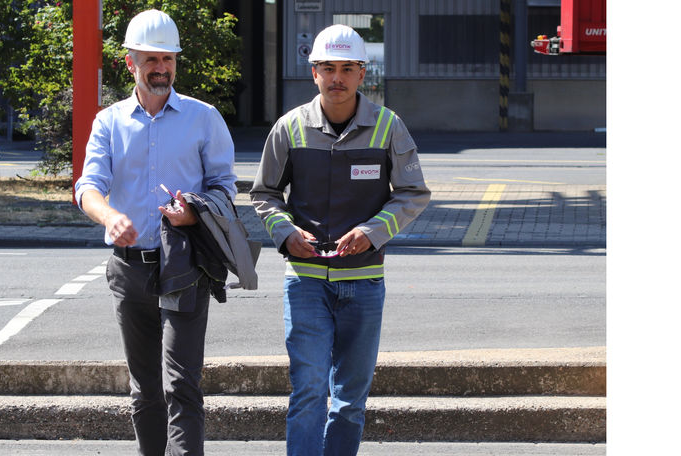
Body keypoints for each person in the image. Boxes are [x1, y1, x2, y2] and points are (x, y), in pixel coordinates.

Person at [250, 24, 431, 456]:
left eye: (347, 68)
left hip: (365, 283)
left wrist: (372, 232)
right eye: (328, 68)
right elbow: (264, 196)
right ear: (313, 72)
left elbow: (413, 193)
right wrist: (285, 232)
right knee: (309, 389)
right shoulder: (289, 128)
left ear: (362, 74)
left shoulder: (389, 127)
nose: (337, 78)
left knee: (350, 400)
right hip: (306, 281)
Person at [74, 9, 236, 455]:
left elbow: (225, 189)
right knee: (144, 390)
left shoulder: (204, 119)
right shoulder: (109, 122)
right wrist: (109, 217)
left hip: (185, 265)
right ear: (131, 63)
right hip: (129, 271)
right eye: (151, 60)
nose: (161, 68)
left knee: (182, 384)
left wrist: (194, 212)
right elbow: (87, 187)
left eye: (167, 59)